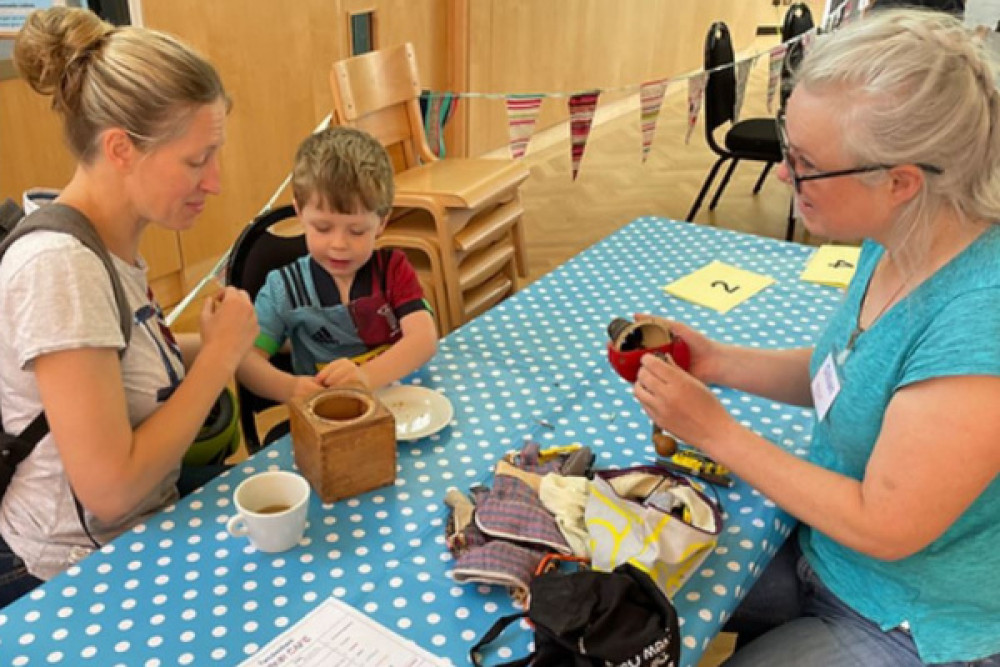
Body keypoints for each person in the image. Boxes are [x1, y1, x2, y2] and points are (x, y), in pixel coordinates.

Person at [634, 9, 1000, 666]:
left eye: (803, 163)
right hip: (821, 546)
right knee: (623, 584)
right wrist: (719, 362)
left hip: (909, 611)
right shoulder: (901, 234)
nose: (781, 174)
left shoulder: (981, 321)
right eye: (786, 146)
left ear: (899, 182)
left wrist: (717, 431)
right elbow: (853, 371)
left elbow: (884, 525)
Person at [0, 8, 258, 606]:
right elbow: (110, 489)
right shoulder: (60, 268)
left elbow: (120, 367)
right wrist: (219, 359)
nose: (215, 181)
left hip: (143, 523)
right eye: (197, 160)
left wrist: (243, 340)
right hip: (67, 570)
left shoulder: (108, 241)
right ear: (120, 147)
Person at [236, 126, 438, 404]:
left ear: (381, 222)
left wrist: (364, 377)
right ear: (300, 212)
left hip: (403, 404)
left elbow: (423, 339)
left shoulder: (392, 269)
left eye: (356, 231)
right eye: (322, 228)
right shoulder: (284, 290)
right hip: (331, 420)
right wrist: (289, 388)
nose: (339, 245)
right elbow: (244, 358)